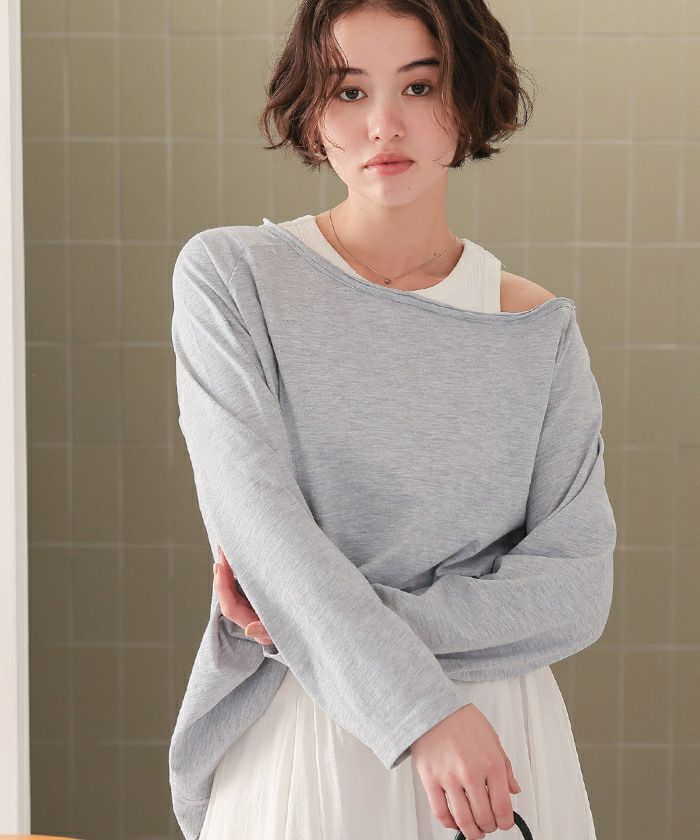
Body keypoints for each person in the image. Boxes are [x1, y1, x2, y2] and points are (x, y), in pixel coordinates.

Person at [168, 2, 615, 839]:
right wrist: (421, 711)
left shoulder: (536, 330)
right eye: (348, 91)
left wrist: (300, 620)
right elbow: (259, 530)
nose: (383, 124)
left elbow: (576, 590)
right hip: (310, 734)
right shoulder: (233, 279)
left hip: (499, 739)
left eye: (419, 85)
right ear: (310, 110)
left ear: (470, 96)